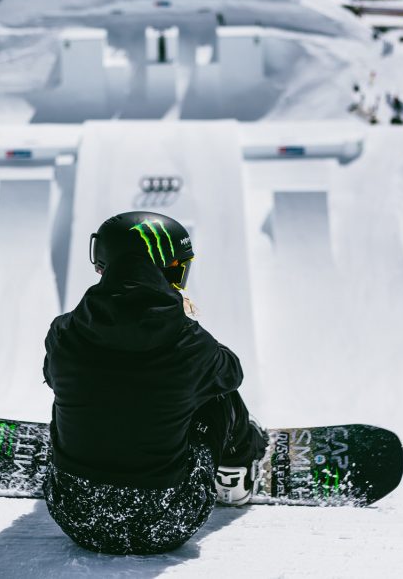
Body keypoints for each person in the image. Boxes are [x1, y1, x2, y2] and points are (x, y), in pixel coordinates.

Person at [42, 211, 267, 555]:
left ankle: (87, 454)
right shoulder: (191, 344)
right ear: (164, 269)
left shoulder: (64, 332)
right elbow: (231, 373)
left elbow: (51, 376)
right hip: (166, 522)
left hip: (76, 517)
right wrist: (186, 321)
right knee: (218, 396)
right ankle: (236, 472)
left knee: (71, 382)